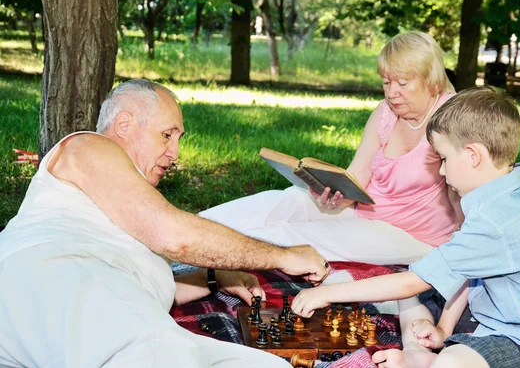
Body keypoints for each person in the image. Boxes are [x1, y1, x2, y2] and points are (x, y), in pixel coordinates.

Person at [0, 79, 330, 368]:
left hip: (90, 310)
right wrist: (285, 255)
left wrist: (212, 277)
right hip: (50, 276)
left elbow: (138, 283)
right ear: (124, 123)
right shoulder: (86, 147)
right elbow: (174, 237)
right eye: (167, 134)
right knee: (163, 353)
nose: (175, 152)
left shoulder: (126, 200)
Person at [291, 86, 520, 368]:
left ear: (473, 156)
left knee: (449, 356)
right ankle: (418, 353)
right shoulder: (509, 189)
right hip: (499, 312)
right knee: (409, 292)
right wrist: (444, 328)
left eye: (444, 159)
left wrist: (328, 294)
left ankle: (433, 359)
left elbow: (415, 280)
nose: (442, 171)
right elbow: (466, 271)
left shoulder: (497, 222)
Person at [200, 31, 462, 265]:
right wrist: (337, 193)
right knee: (284, 200)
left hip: (413, 237)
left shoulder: (454, 119)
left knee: (296, 235)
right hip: (365, 214)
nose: (391, 93)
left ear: (432, 80)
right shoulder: (385, 113)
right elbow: (358, 174)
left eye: (402, 83)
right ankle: (190, 229)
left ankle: (214, 251)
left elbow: (473, 192)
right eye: (385, 82)